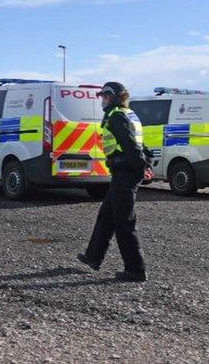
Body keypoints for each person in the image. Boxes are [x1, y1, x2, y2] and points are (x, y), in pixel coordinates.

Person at [77, 81, 154, 283]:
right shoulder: (127, 113)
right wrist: (147, 165)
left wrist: (143, 168)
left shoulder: (117, 116)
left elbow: (130, 146)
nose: (102, 99)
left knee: (124, 222)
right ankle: (93, 256)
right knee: (107, 215)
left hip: (126, 172)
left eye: (104, 96)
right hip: (123, 172)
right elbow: (141, 145)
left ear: (111, 96)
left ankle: (136, 270)